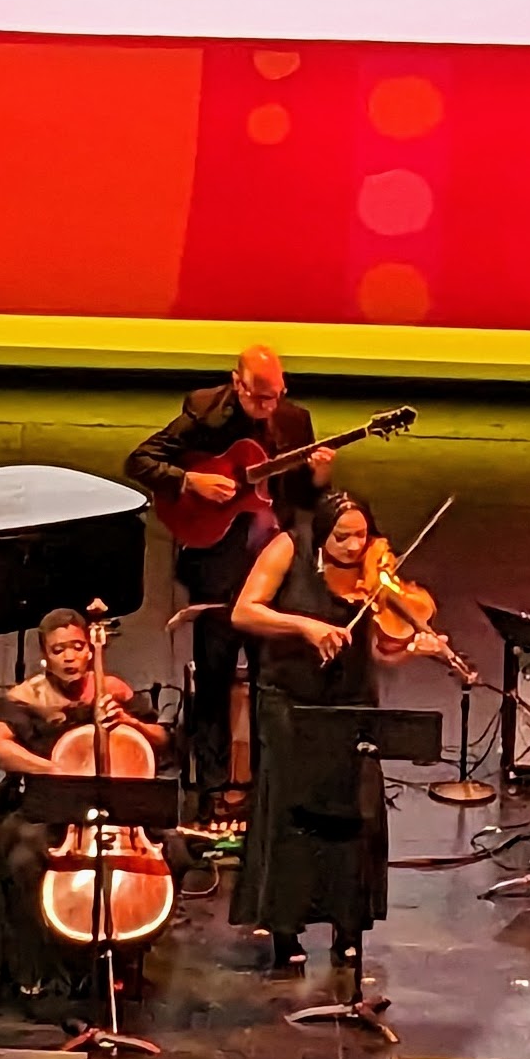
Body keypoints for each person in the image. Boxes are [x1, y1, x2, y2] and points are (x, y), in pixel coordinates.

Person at [228, 488, 453, 970]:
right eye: (343, 537)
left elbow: (378, 652)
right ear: (323, 531)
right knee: (291, 819)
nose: (354, 547)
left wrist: (416, 648)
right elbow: (244, 611)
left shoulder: (374, 576)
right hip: (290, 702)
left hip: (351, 703)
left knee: (357, 815)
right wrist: (304, 627)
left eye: (362, 535)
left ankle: (348, 928)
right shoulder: (289, 546)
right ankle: (286, 931)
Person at [123, 345, 335, 821]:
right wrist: (189, 481)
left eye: (276, 395)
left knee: (269, 678)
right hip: (216, 562)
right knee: (214, 677)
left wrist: (317, 478)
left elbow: (298, 498)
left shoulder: (295, 422)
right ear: (237, 384)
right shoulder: (202, 410)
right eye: (261, 397)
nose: (269, 406)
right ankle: (214, 784)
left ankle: (268, 780)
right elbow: (140, 461)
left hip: (268, 563)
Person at [0, 608, 174, 1016]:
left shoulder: (111, 689)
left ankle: (120, 961)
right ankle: (42, 970)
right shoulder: (28, 697)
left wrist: (130, 721)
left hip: (110, 813)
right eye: (58, 649)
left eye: (77, 647)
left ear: (89, 651)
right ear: (45, 655)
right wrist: (53, 769)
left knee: (176, 855)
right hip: (46, 809)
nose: (69, 657)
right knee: (24, 858)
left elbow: (162, 740)